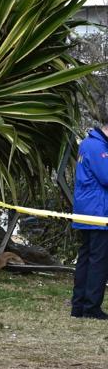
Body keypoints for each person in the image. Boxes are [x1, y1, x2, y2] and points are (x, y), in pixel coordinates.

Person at [71, 122, 108, 319]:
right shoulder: (97, 147)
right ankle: (91, 307)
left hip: (88, 209)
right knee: (98, 261)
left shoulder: (88, 143)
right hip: (98, 210)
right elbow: (106, 177)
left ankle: (79, 306)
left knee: (86, 258)